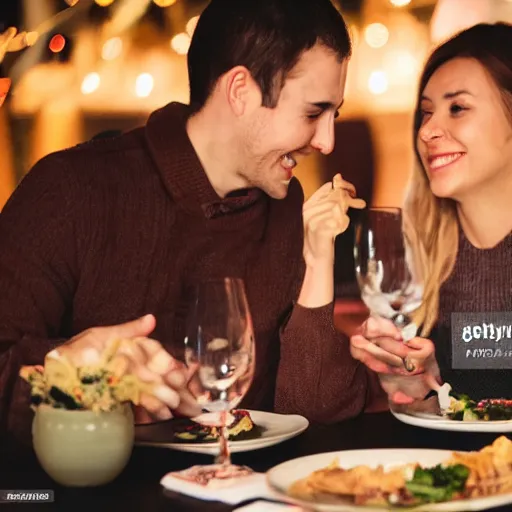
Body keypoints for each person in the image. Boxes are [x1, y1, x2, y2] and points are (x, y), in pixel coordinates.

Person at [0, 0, 380, 445]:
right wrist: (70, 370)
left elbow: (309, 409)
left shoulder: (284, 208)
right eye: (314, 114)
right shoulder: (70, 189)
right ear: (240, 90)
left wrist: (319, 263)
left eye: (334, 114)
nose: (328, 140)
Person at [350, 23, 512, 407]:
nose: (427, 131)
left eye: (457, 108)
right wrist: (423, 384)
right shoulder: (413, 258)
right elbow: (434, 402)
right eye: (426, 113)